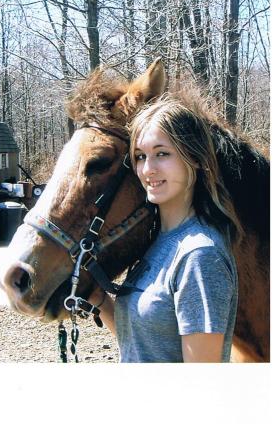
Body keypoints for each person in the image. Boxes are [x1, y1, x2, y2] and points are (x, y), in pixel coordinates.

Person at [88, 95, 241, 363]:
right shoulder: (159, 241)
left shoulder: (200, 256)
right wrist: (98, 299)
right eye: (139, 157)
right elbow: (144, 343)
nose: (148, 169)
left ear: (194, 158)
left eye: (162, 154)